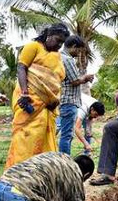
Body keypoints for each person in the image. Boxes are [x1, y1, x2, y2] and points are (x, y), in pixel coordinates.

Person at [5, 23, 71, 168]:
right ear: (48, 35)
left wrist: (53, 98)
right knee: (26, 135)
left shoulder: (57, 55)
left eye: (62, 43)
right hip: (29, 99)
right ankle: (21, 169)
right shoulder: (33, 46)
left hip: (48, 105)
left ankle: (41, 170)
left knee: (45, 135)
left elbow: (57, 77)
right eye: (57, 40)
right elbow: (22, 67)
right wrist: (24, 93)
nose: (59, 45)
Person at [57, 35, 95, 154]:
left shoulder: (60, 57)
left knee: (66, 134)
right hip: (69, 101)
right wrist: (86, 78)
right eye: (78, 50)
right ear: (73, 47)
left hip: (65, 101)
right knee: (67, 135)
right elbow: (75, 81)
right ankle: (65, 162)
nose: (78, 53)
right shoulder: (67, 59)